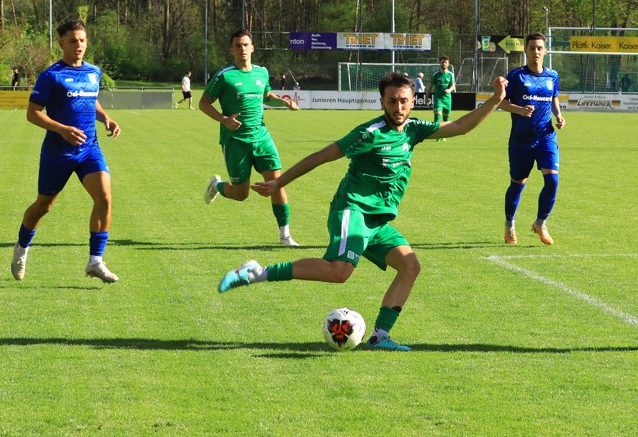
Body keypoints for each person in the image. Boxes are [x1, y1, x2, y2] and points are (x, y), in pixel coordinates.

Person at [216, 73, 510, 352]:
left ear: (413, 101)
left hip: (377, 220)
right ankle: (257, 272)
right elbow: (321, 156)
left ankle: (381, 336)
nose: (399, 106)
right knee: (339, 271)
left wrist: (495, 100)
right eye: (392, 100)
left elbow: (460, 127)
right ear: (382, 101)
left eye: (404, 100)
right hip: (352, 210)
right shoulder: (368, 134)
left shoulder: (414, 129)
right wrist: (279, 181)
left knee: (410, 266)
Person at [12, 19, 122, 283]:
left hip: (89, 148)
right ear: (62, 44)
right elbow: (32, 113)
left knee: (105, 198)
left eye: (82, 40)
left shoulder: (94, 72)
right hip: (58, 152)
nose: (79, 45)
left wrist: (106, 118)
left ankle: (95, 261)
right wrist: (62, 129)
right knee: (43, 206)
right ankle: (21, 248)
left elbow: (90, 99)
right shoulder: (52, 76)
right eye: (73, 41)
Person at [200, 29, 301, 247]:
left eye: (245, 45)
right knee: (240, 194)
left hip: (262, 137)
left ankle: (285, 236)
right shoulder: (224, 76)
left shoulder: (262, 73)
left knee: (276, 183)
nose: (242, 49)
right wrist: (224, 119)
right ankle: (217, 186)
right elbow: (204, 103)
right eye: (237, 45)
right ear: (231, 50)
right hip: (235, 141)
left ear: (252, 47)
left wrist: (284, 102)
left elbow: (266, 97)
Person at [499, 32, 565, 246]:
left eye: (539, 48)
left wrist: (559, 115)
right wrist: (519, 110)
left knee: (553, 180)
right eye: (532, 48)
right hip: (521, 140)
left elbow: (553, 97)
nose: (536, 52)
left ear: (545, 51)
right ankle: (509, 224)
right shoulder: (516, 76)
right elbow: (501, 102)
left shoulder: (552, 75)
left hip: (546, 136)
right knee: (518, 184)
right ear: (526, 51)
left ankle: (540, 223)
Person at [428, 56, 456, 125]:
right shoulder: (435, 74)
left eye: (445, 62)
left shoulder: (450, 75)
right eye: (442, 62)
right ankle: (435, 133)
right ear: (440, 63)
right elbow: (430, 87)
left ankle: (444, 134)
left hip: (447, 99)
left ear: (448, 64)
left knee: (446, 119)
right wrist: (426, 97)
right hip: (438, 98)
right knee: (437, 117)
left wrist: (449, 90)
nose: (444, 64)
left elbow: (453, 85)